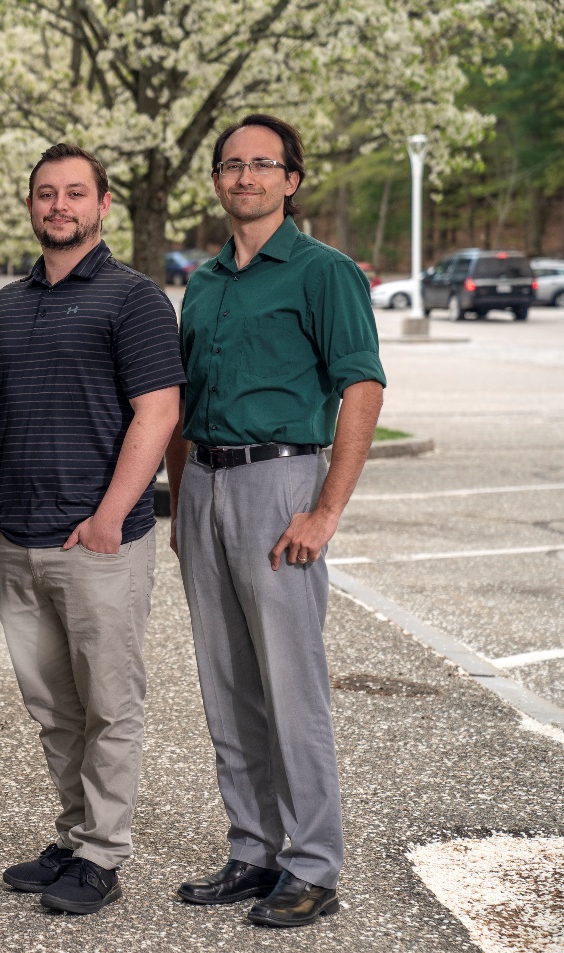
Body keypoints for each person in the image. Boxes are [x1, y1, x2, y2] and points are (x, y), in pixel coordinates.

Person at [165, 113, 385, 928]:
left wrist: (326, 508)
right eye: (232, 165)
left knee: (292, 689)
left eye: (263, 165)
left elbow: (362, 385)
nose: (245, 177)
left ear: (291, 179)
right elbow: (186, 406)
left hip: (281, 483)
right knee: (226, 684)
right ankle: (253, 850)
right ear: (218, 180)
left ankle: (314, 865)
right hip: (203, 487)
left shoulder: (324, 273)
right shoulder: (209, 280)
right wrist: (183, 505)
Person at [0, 144, 184, 916]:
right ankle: (73, 833)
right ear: (30, 206)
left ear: (103, 205)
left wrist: (105, 519)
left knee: (109, 702)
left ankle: (104, 852)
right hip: (18, 540)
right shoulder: (5, 303)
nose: (58, 206)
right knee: (53, 706)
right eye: (44, 194)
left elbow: (158, 411)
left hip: (99, 544)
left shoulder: (135, 300)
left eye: (74, 194)